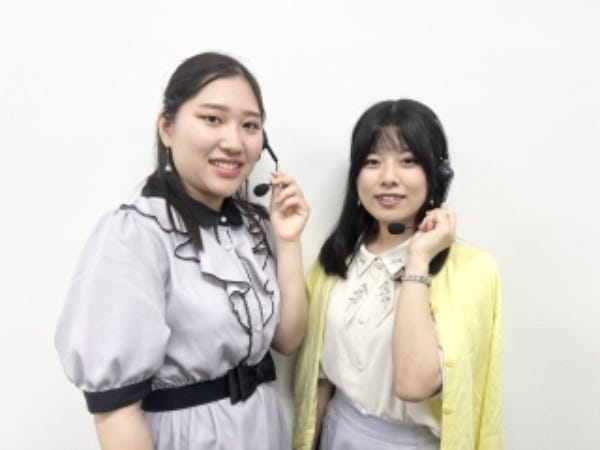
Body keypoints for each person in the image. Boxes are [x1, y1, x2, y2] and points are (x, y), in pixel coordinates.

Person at [55, 52, 309, 450]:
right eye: (213, 119)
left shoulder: (254, 227)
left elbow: (288, 341)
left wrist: (288, 240)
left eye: (250, 125)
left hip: (263, 429)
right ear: (167, 128)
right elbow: (115, 411)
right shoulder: (135, 235)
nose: (234, 142)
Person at [293, 99, 503, 450]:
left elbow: (414, 383)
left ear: (437, 175)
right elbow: (320, 380)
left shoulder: (473, 270)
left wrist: (417, 260)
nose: (388, 178)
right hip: (337, 432)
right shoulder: (335, 263)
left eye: (408, 161)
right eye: (372, 162)